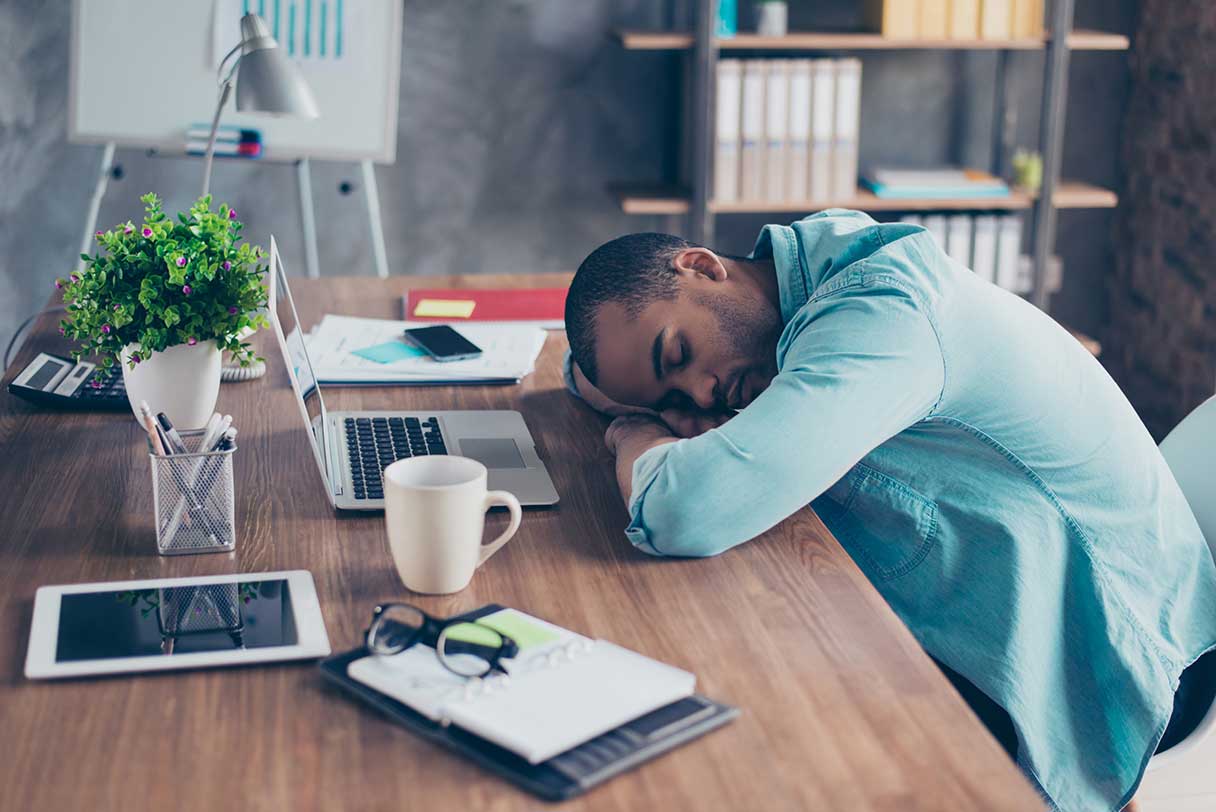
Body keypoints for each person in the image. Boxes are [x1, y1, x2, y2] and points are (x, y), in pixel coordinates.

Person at [561, 210, 1216, 812]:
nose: (701, 393)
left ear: (703, 267)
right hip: (1005, 600)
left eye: (679, 356)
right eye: (672, 393)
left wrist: (639, 436)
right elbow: (585, 370)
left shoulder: (881, 314)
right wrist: (646, 396)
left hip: (1111, 660)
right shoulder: (801, 282)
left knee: (764, 732)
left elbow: (688, 510)